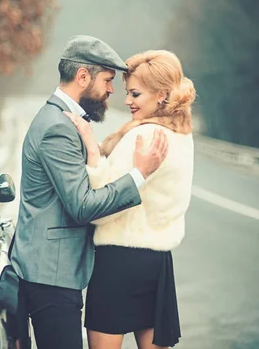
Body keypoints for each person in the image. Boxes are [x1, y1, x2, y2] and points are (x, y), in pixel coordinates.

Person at [10, 35, 169, 349]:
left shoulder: (63, 121)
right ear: (83, 77)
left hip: (50, 270)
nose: (112, 90)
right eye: (108, 80)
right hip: (51, 275)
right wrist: (139, 174)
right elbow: (81, 205)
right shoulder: (57, 127)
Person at [64, 50, 196, 349]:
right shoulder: (182, 135)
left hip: (119, 262)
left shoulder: (143, 137)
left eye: (135, 93)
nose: (127, 101)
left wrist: (94, 155)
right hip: (158, 263)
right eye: (127, 92)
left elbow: (99, 208)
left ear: (161, 95)